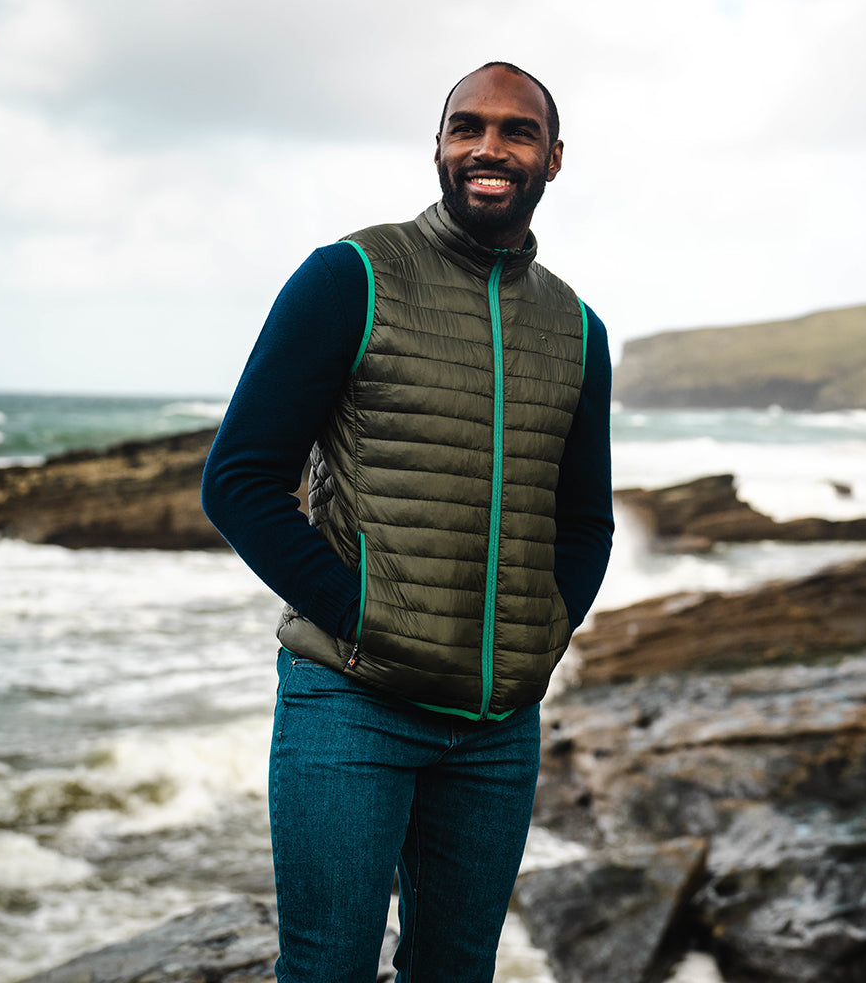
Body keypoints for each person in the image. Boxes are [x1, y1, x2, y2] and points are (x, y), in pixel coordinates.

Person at [202, 61, 614, 983]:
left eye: (515, 131)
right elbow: (238, 479)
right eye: (467, 127)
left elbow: (585, 520)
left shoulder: (579, 330)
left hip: (498, 724)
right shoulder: (350, 278)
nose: (488, 147)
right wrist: (361, 615)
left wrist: (544, 629)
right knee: (329, 968)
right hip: (352, 704)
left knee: (457, 971)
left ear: (553, 157)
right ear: (438, 147)